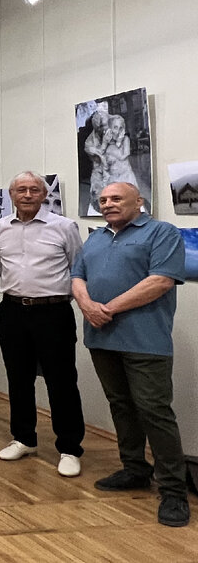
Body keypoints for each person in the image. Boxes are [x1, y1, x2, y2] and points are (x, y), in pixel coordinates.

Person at [72, 182, 190, 527]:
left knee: (154, 412)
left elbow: (161, 281)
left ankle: (173, 491)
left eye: (116, 198)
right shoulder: (95, 237)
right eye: (103, 199)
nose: (107, 204)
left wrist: (106, 308)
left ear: (139, 202)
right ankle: (135, 469)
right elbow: (77, 276)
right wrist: (86, 305)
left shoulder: (162, 232)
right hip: (101, 337)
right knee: (121, 405)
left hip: (145, 341)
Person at [0, 172, 85, 477]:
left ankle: (69, 448)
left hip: (53, 312)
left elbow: (77, 268)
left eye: (34, 189)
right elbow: (2, 266)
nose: (28, 195)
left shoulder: (64, 226)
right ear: (11, 194)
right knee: (18, 379)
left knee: (62, 382)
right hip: (12, 311)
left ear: (44, 195)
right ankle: (24, 439)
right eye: (21, 189)